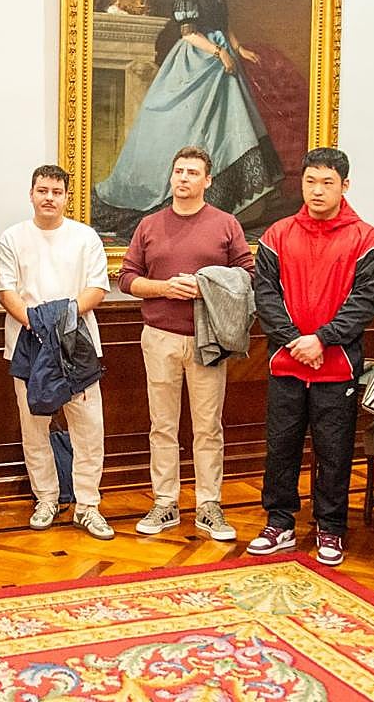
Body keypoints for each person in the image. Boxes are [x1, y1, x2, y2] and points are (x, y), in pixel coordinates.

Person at [93, 0, 283, 236]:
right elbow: (188, 34)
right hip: (197, 59)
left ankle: (227, 205)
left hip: (222, 57)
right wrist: (220, 52)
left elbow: (224, 24)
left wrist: (238, 48)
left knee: (227, 124)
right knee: (195, 125)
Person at [249, 148, 374, 566]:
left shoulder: (366, 238)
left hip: (337, 365)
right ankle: (279, 522)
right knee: (282, 446)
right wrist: (294, 340)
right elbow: (265, 293)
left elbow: (365, 301)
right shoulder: (277, 234)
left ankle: (330, 528)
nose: (318, 190)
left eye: (328, 182)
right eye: (311, 181)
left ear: (345, 186)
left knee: (334, 450)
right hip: (286, 363)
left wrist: (321, 340)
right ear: (302, 184)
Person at [118, 145, 255, 541]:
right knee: (162, 426)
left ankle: (209, 505)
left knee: (208, 427)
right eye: (178, 171)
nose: (183, 178)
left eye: (193, 172)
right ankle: (165, 502)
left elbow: (246, 276)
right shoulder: (150, 225)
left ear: (207, 181)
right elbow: (128, 278)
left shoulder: (226, 224)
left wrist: (205, 287)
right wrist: (164, 288)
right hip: (159, 337)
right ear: (171, 176)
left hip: (207, 339)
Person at [0, 164, 113, 539]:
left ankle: (88, 505)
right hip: (28, 343)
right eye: (42, 190)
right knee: (35, 428)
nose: (49, 197)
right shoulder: (12, 238)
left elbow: (97, 289)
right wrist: (37, 322)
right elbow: (5, 291)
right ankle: (46, 498)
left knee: (88, 428)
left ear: (66, 197)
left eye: (56, 192)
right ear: (31, 194)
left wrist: (59, 319)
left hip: (77, 343)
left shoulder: (85, 237)